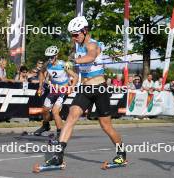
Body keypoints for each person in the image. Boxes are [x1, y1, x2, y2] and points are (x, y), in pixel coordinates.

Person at [45, 16, 126, 166]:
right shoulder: (77, 47)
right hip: (85, 88)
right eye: (72, 35)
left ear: (84, 30)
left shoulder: (92, 44)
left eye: (76, 34)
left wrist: (75, 61)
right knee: (71, 116)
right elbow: (78, 65)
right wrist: (70, 68)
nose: (74, 38)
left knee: (106, 126)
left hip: (100, 88)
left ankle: (121, 152)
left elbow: (91, 56)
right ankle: (58, 155)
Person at [34, 46, 78, 138]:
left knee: (55, 112)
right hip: (53, 90)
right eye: (48, 57)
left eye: (52, 57)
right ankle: (45, 125)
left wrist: (71, 87)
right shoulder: (47, 64)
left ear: (56, 56)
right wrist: (40, 86)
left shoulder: (63, 65)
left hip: (63, 91)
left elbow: (75, 77)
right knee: (45, 110)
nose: (50, 59)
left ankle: (60, 133)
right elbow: (41, 73)